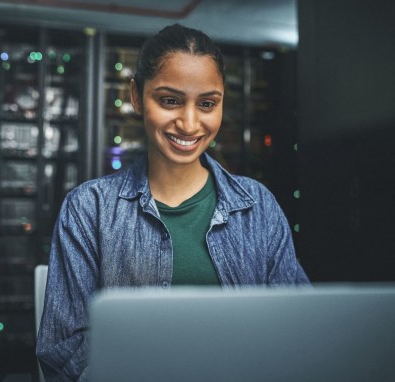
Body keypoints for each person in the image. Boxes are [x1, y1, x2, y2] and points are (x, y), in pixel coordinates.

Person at [36, 23, 310, 381]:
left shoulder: (258, 206)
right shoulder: (89, 209)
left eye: (208, 103)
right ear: (136, 96)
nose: (189, 123)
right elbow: (64, 346)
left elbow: (299, 327)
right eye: (170, 100)